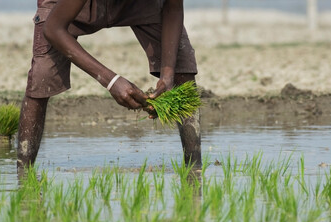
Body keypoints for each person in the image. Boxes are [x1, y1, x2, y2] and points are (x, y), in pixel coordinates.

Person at [17, 0, 201, 171]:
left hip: (139, 4)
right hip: (66, 7)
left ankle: (194, 168)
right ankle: (24, 173)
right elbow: (54, 29)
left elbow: (173, 7)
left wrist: (168, 75)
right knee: (43, 77)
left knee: (182, 69)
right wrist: (111, 81)